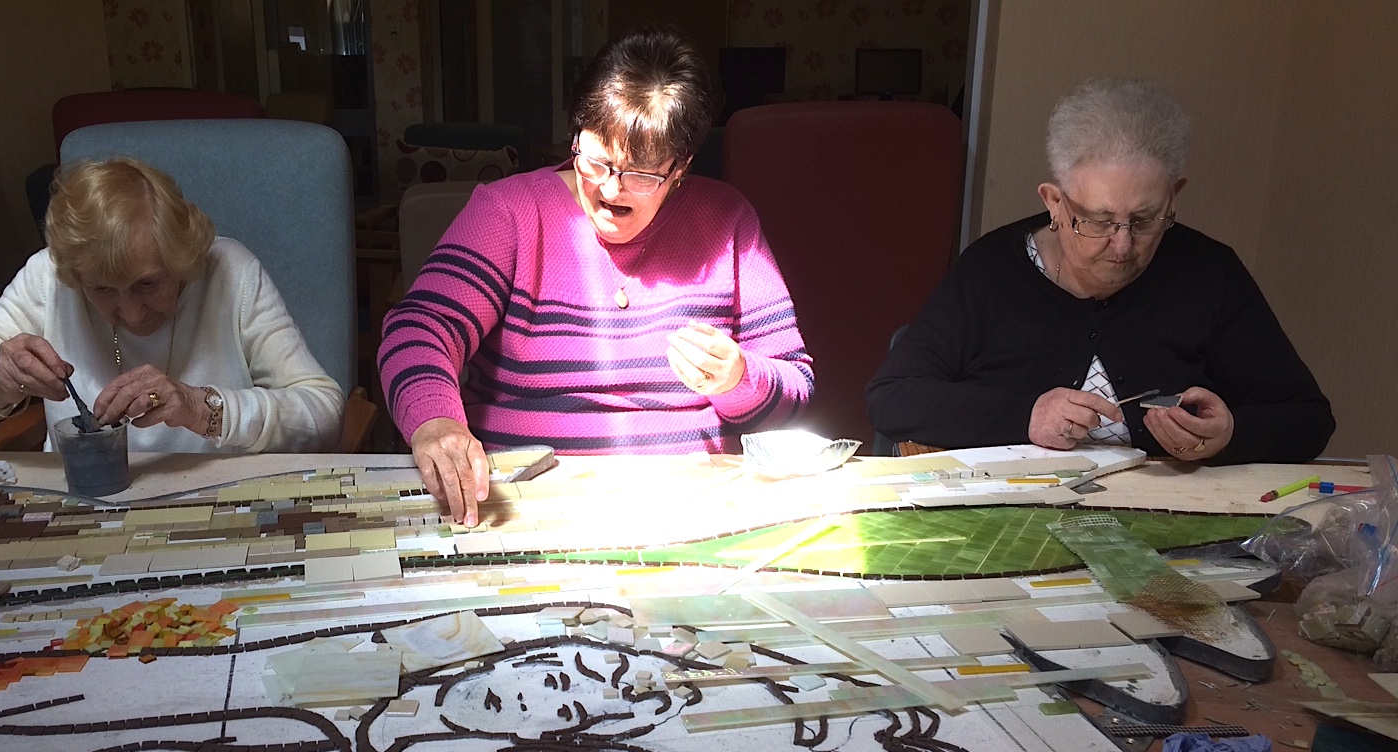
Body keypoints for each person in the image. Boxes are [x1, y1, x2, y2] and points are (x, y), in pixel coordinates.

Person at [379, 25, 813, 525]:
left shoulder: (727, 220)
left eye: (643, 173)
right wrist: (435, 420)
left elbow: (794, 388)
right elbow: (418, 329)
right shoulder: (510, 212)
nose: (611, 189)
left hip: (693, 510)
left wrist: (738, 379)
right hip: (520, 507)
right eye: (597, 160)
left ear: (682, 168)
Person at [867, 77, 1333, 464]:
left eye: (1146, 219)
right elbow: (891, 397)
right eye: (1099, 221)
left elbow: (1308, 419)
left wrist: (1232, 432)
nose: (1123, 244)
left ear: (1175, 196)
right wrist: (1026, 414)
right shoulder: (992, 272)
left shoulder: (1209, 273)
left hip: (1167, 530)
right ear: (1054, 202)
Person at [0, 158, 344, 454]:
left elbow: (323, 413)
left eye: (148, 284)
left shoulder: (230, 270)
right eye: (103, 291)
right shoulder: (46, 279)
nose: (131, 314)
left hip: (222, 505)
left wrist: (201, 407)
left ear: (183, 260)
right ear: (73, 275)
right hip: (82, 522)